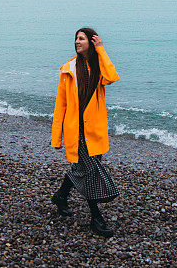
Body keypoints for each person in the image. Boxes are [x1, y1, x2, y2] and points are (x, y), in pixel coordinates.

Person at [50, 27, 120, 237]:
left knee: (81, 168)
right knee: (90, 171)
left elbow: (113, 76)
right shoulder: (68, 69)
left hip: (95, 129)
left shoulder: (99, 66)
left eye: (81, 39)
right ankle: (96, 218)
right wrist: (57, 137)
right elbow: (60, 105)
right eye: (76, 39)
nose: (77, 42)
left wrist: (101, 50)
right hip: (75, 130)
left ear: (90, 42)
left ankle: (61, 196)